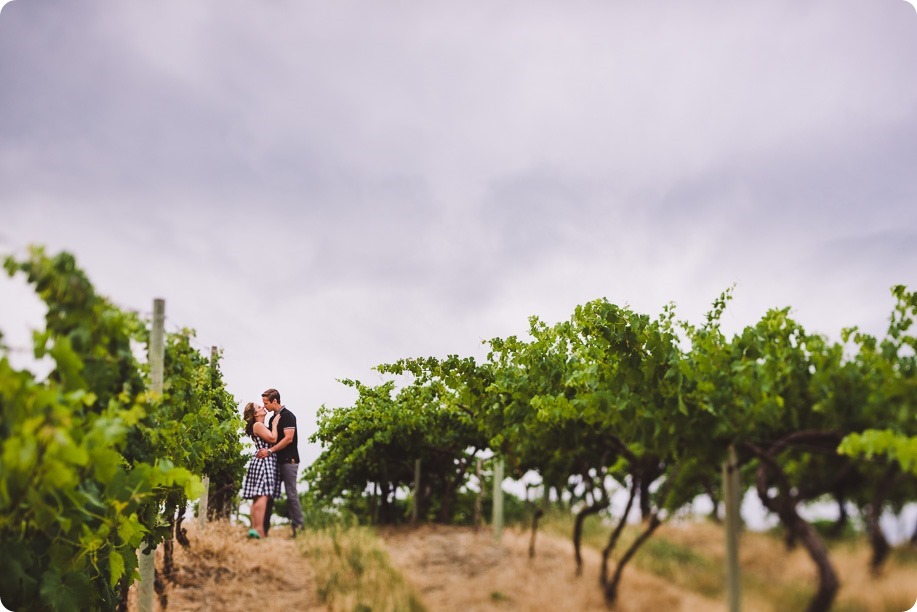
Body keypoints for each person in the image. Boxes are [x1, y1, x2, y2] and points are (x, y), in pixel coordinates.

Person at [256, 388, 304, 537]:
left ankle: (299, 529)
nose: (265, 406)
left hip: (289, 461)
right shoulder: (272, 419)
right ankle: (264, 530)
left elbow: (288, 438)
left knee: (291, 495)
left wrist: (270, 451)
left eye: (266, 403)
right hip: (276, 463)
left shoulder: (288, 416)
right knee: (269, 495)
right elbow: (272, 437)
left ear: (274, 401)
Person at [241, 402, 280, 538]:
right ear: (255, 414)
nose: (262, 407)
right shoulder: (258, 425)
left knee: (258, 496)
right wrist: (275, 425)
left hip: (261, 461)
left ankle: (254, 529)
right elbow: (273, 438)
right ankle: (259, 530)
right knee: (263, 494)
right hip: (264, 461)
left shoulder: (259, 426)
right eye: (259, 407)